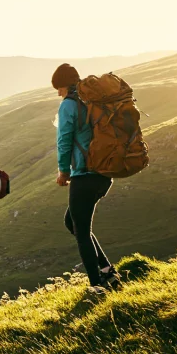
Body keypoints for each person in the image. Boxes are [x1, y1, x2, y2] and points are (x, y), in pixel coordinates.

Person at [51, 64, 123, 293]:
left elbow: (64, 140)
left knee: (81, 230)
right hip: (104, 174)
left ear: (63, 85)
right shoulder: (91, 102)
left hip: (85, 175)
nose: (58, 93)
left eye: (58, 88)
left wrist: (64, 171)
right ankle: (107, 272)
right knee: (72, 222)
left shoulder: (69, 105)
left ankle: (97, 286)